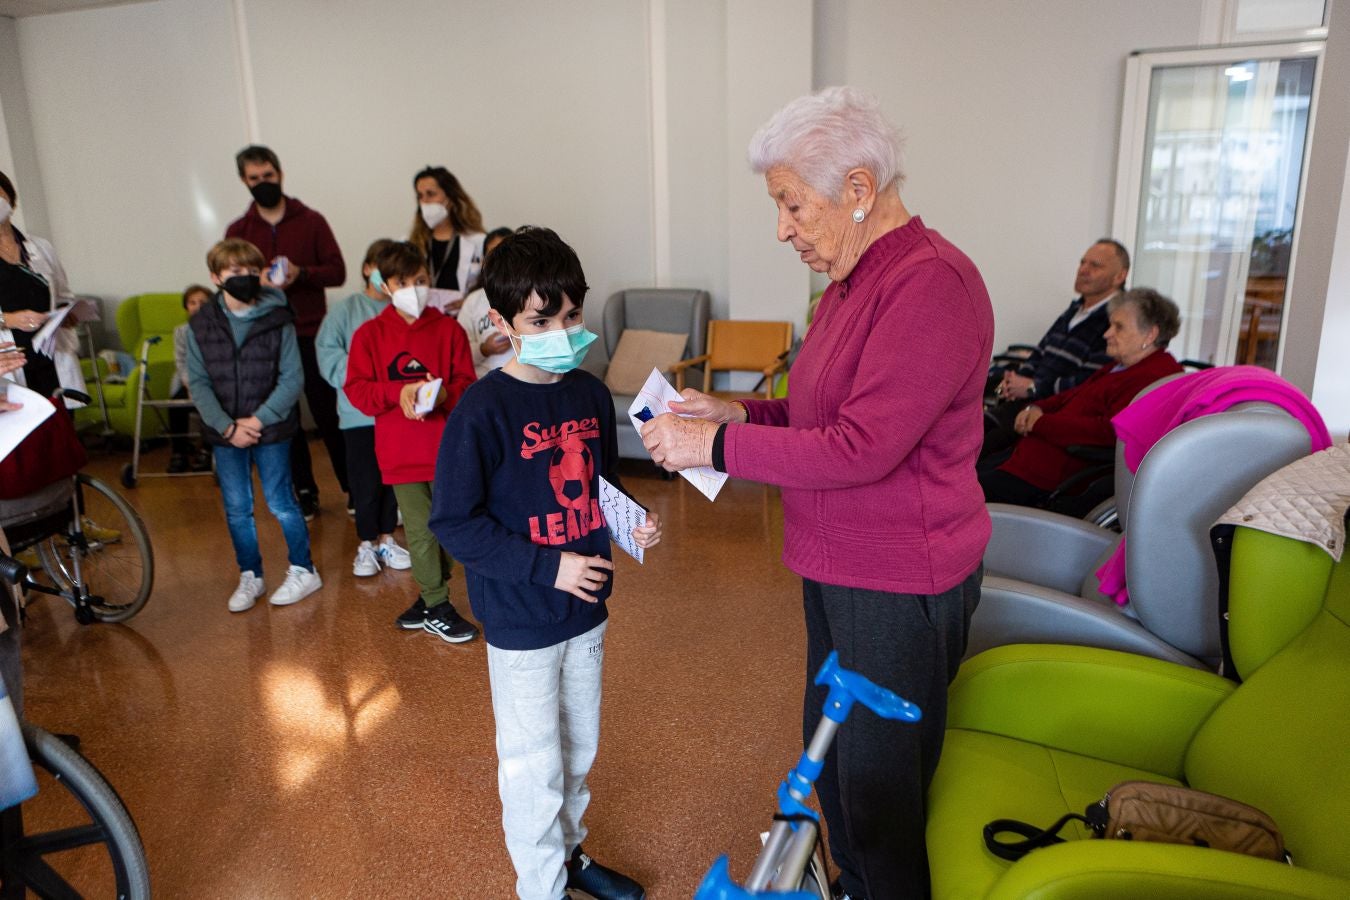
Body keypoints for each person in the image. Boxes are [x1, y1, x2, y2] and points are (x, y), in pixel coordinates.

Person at [639, 87, 990, 899]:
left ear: (859, 190)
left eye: (792, 204)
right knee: (833, 768)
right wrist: (736, 411)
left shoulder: (930, 286)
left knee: (875, 798)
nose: (783, 228)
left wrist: (714, 443)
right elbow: (816, 413)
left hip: (900, 577)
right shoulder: (848, 282)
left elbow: (863, 447)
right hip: (842, 566)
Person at [429, 226, 661, 900]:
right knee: (534, 765)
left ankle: (571, 855)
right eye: (543, 319)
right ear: (501, 324)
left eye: (572, 315)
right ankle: (543, 888)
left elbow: (601, 485)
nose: (565, 331)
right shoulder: (481, 412)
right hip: (523, 620)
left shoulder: (588, 396)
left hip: (586, 612)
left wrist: (631, 523)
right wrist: (547, 567)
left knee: (579, 750)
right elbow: (454, 523)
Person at [344, 241, 478, 643]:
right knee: (420, 531)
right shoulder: (370, 335)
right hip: (400, 454)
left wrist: (441, 395)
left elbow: (466, 384)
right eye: (403, 282)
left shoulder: (448, 330)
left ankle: (429, 592)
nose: (413, 288)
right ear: (384, 286)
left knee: (452, 527)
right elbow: (357, 391)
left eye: (420, 280)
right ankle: (436, 604)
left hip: (447, 451)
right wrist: (396, 393)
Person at [186, 238, 322, 612]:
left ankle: (303, 569)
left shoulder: (279, 316)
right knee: (237, 508)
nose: (244, 278)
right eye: (234, 272)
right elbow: (197, 381)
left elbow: (292, 378)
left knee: (282, 502)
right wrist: (228, 427)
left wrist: (257, 420)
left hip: (272, 429)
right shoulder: (200, 325)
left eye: (250, 271)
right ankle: (251, 574)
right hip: (225, 433)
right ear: (216, 277)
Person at [978, 288, 1183, 509]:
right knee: (968, 473)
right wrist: (1035, 407)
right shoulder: (1120, 366)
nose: (1107, 334)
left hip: (1059, 474)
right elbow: (1072, 395)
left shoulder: (1155, 376)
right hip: (1033, 455)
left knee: (966, 493)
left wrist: (1041, 422)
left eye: (1119, 327)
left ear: (1150, 334)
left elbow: (1109, 432)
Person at [226, 146, 347, 519]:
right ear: (244, 181)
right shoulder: (239, 231)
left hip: (312, 334)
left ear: (280, 173)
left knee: (329, 414)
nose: (263, 183)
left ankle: (353, 487)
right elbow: (228, 284)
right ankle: (304, 491)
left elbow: (338, 271)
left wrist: (302, 273)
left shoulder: (311, 221)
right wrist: (254, 284)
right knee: (282, 420)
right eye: (255, 179)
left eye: (268, 176)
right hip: (267, 338)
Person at [315, 239, 413, 577]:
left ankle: (387, 538)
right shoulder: (345, 311)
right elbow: (328, 353)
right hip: (358, 413)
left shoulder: (399, 313)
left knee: (391, 479)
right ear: (367, 269)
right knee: (365, 480)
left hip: (395, 413)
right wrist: (366, 377)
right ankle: (366, 544)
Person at [983, 239, 1130, 455]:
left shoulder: (1116, 320)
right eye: (1082, 263)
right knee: (964, 432)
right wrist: (1015, 381)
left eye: (1095, 265)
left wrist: (1033, 387)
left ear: (1120, 276)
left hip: (1051, 413)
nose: (1083, 270)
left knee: (975, 452)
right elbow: (1040, 352)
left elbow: (1089, 381)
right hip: (1026, 401)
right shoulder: (1075, 310)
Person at [0, 170, 83, 405]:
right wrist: (8, 320)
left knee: (61, 424)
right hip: (11, 360)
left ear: (10, 198)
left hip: (51, 353)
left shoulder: (39, 246)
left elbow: (63, 293)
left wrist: (67, 313)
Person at [408, 166, 486, 316]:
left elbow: (493, 288)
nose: (424, 201)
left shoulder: (478, 242)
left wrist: (470, 302)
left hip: (464, 320)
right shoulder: (411, 244)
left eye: (431, 194)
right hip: (424, 321)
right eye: (420, 196)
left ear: (450, 198)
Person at [456, 226, 515, 378]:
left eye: (507, 254)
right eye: (494, 254)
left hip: (526, 382)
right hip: (485, 382)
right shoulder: (473, 301)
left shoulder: (532, 295)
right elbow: (458, 351)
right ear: (484, 261)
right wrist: (484, 349)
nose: (501, 262)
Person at [167, 284, 213, 473]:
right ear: (186, 307)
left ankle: (207, 450)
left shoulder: (220, 328)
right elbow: (181, 360)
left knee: (210, 403)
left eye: (202, 302)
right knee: (175, 405)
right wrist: (189, 384)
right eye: (192, 302)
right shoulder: (181, 331)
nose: (197, 306)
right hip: (190, 381)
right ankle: (179, 453)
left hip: (214, 382)